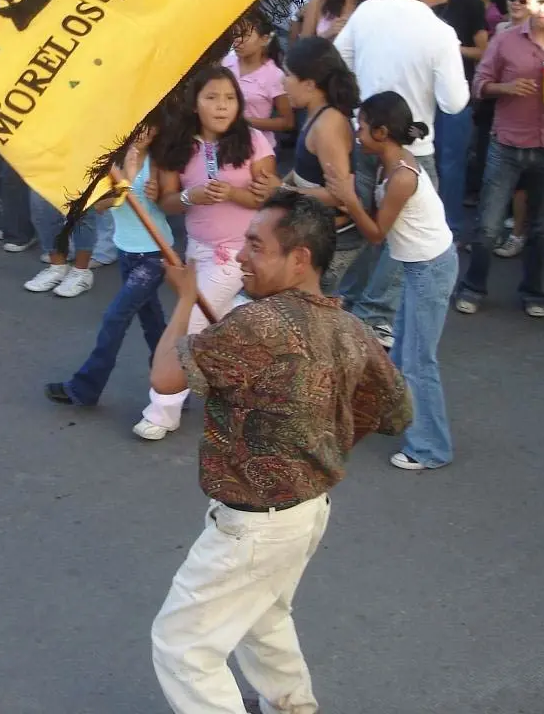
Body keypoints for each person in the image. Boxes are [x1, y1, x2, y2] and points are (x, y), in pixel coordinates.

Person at [147, 188, 411, 714]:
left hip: (255, 525)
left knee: (183, 646)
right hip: (308, 511)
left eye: (255, 246)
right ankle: (295, 708)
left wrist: (182, 298)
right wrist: (322, 437)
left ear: (300, 258)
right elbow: (396, 409)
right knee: (263, 619)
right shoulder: (348, 326)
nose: (241, 256)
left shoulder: (256, 324)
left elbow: (165, 377)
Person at [332, 0, 468, 347]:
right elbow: (454, 102)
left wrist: (366, 102)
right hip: (411, 152)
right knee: (402, 236)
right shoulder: (441, 34)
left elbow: (340, 61)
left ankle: (349, 301)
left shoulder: (370, 10)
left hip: (365, 138)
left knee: (364, 226)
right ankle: (374, 314)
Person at [136, 65, 279, 440]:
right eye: (212, 98)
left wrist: (233, 193)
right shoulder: (178, 145)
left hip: (240, 254)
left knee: (189, 325)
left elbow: (267, 197)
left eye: (230, 98)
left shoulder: (253, 141)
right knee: (229, 325)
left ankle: (163, 409)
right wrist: (190, 196)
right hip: (197, 249)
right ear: (194, 103)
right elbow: (168, 201)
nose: (222, 106)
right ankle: (255, 397)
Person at [326, 92, 457, 470]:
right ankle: (389, 418)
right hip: (423, 266)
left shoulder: (400, 176)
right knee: (401, 356)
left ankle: (431, 449)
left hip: (429, 270)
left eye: (363, 127)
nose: (357, 133)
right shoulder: (391, 162)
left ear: (382, 132)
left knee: (419, 362)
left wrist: (348, 198)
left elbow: (376, 234)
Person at [456, 0, 544, 318]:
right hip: (507, 143)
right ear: (529, 2)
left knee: (540, 228)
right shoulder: (506, 40)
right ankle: (472, 286)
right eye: (542, 1)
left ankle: (533, 291)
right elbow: (480, 84)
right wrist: (506, 88)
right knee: (488, 225)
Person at [44, 117, 170, 407]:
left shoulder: (162, 161)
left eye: (151, 125)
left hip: (154, 255)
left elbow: (171, 202)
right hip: (126, 252)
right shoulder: (113, 163)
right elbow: (100, 207)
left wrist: (158, 192)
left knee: (116, 318)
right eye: (138, 123)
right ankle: (173, 390)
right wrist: (125, 177)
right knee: (154, 325)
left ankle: (86, 387)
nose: (143, 132)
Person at [279, 36, 361, 293]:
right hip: (317, 229)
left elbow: (339, 196)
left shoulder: (328, 126)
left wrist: (286, 193)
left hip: (335, 241)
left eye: (288, 75)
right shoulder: (315, 113)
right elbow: (306, 168)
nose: (283, 82)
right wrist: (282, 184)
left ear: (310, 84)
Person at [433, 0, 490, 237]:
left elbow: (483, 51)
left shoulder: (469, 3)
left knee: (451, 165)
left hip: (456, 97)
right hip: (422, 95)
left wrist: (452, 49)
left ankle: (451, 228)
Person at [224, 12, 293, 149]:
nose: (238, 40)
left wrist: (244, 122)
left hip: (258, 148)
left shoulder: (274, 75)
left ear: (264, 39)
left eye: (245, 35)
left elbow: (288, 122)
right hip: (225, 143)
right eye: (236, 34)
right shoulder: (227, 62)